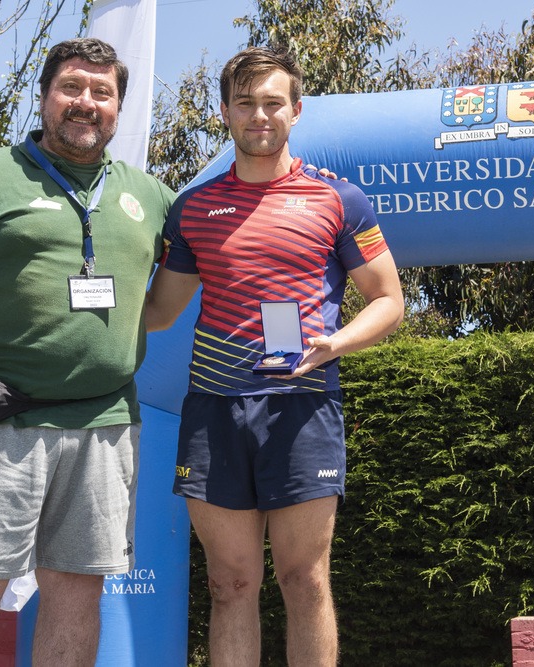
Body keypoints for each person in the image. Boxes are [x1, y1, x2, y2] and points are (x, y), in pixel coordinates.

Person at [0, 38, 175, 664]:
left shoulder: (151, 196)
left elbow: (177, 287)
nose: (86, 102)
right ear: (45, 96)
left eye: (102, 92)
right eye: (71, 87)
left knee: (77, 594)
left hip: (105, 424)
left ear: (119, 107)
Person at [145, 46, 404, 666]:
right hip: (214, 408)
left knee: (305, 580)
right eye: (245, 103)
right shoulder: (193, 208)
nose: (259, 115)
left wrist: (337, 343)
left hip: (303, 407)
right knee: (229, 585)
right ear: (225, 113)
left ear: (296, 110)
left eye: (272, 103)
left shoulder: (340, 199)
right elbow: (158, 312)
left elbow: (388, 300)